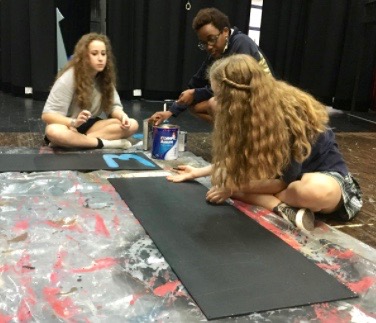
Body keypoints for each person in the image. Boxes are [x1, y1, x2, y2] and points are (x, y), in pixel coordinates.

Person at [167, 54, 363, 231]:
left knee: (308, 191)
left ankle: (271, 202)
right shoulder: (245, 115)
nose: (216, 100)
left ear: (236, 96)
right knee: (226, 182)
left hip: (321, 175)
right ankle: (282, 208)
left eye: (219, 95)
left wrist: (235, 188)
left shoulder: (290, 113)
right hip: (282, 178)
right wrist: (198, 172)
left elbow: (285, 181)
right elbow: (240, 159)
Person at [149, 7, 272, 125]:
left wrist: (195, 94)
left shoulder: (241, 43)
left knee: (214, 104)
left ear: (225, 31)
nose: (208, 46)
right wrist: (171, 111)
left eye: (211, 39)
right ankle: (233, 134)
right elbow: (195, 83)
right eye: (204, 43)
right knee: (195, 105)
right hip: (242, 99)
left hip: (263, 100)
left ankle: (240, 135)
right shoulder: (217, 52)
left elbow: (231, 85)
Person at [42, 33, 139, 149]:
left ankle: (74, 142)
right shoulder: (68, 78)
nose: (100, 58)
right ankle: (105, 144)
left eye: (103, 54)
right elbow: (47, 115)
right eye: (94, 54)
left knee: (132, 124)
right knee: (53, 131)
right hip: (67, 125)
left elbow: (113, 107)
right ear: (84, 56)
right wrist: (73, 122)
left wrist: (123, 116)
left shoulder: (104, 78)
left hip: (90, 126)